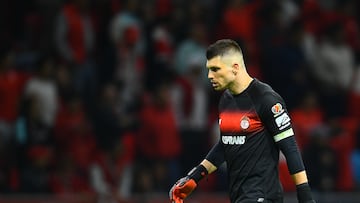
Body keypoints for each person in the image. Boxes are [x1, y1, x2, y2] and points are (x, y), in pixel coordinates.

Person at [169, 39, 316, 203]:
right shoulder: (226, 100)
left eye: (216, 69)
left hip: (263, 196)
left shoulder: (266, 99)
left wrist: (305, 196)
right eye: (209, 70)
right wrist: (194, 177)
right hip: (239, 196)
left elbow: (290, 148)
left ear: (235, 67)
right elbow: (226, 144)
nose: (210, 76)